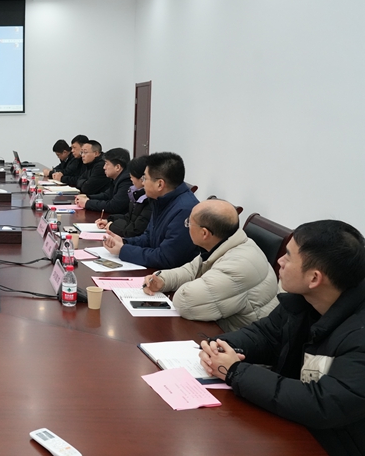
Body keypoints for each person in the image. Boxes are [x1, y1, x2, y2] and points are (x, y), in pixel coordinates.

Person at [199, 220, 365, 454]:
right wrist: (221, 347)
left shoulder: (359, 334)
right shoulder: (304, 300)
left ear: (314, 278)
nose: (280, 261)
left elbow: (324, 404)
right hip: (292, 424)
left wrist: (235, 371)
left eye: (288, 256)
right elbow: (266, 334)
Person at [143, 199, 279, 332]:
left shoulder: (236, 266)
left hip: (244, 339)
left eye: (189, 222)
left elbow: (185, 303)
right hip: (226, 330)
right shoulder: (227, 243)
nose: (187, 226)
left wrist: (188, 285)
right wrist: (163, 279)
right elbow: (192, 270)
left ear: (204, 233)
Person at [103, 152, 198, 269]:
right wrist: (124, 242)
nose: (143, 183)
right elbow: (148, 237)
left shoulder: (185, 211)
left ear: (160, 184)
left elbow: (166, 258)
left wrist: (123, 250)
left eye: (145, 178)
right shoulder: (161, 200)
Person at [97, 155, 151, 238]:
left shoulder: (149, 200)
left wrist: (112, 226)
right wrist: (109, 220)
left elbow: (135, 230)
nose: (130, 177)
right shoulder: (136, 193)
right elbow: (130, 217)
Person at [75, 148, 132, 214]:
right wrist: (88, 197)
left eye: (107, 164)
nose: (104, 167)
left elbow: (114, 206)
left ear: (117, 167)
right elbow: (107, 195)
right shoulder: (117, 178)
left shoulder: (126, 181)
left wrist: (87, 203)